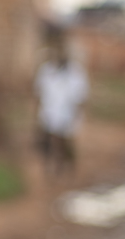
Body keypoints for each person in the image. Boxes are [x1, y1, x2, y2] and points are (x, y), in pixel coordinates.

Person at [34, 31, 88, 179]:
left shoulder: (75, 72)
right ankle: (51, 169)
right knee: (49, 141)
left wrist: (77, 115)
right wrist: (37, 113)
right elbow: (39, 92)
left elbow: (81, 95)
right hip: (49, 111)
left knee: (65, 142)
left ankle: (67, 167)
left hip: (68, 113)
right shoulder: (46, 70)